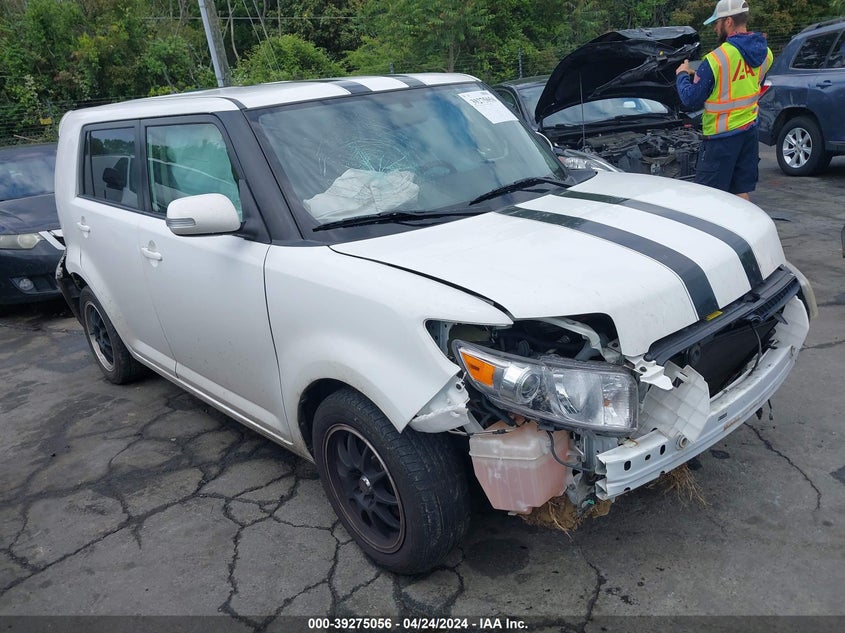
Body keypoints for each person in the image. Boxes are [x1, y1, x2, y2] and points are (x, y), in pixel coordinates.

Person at [676, 0, 773, 200]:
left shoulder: (716, 59)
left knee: (710, 197)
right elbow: (747, 84)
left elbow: (691, 99)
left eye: (717, 22)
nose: (714, 27)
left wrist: (682, 75)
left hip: (721, 140)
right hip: (748, 133)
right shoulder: (766, 53)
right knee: (739, 191)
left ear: (728, 21)